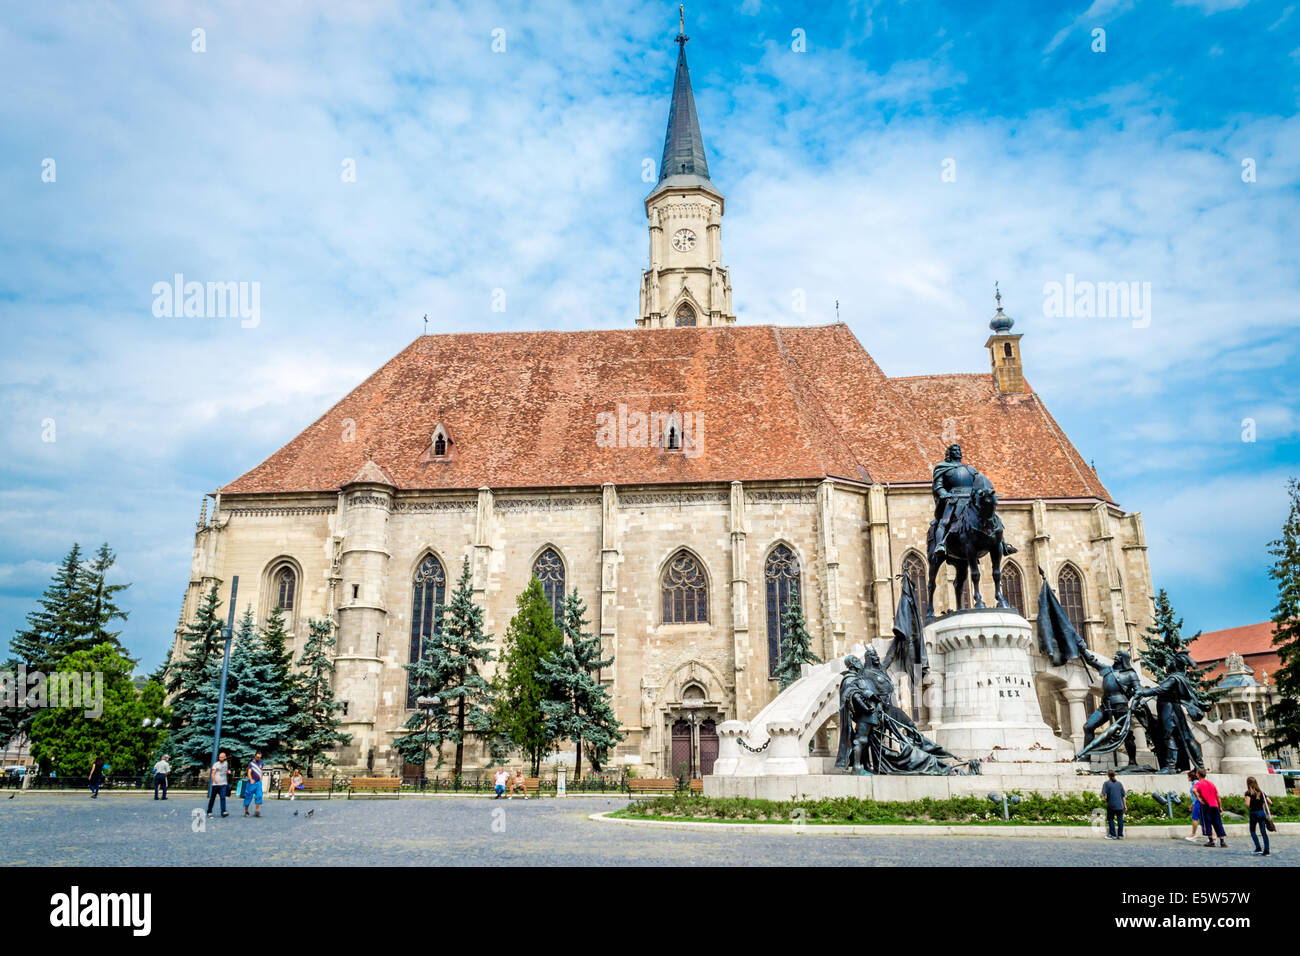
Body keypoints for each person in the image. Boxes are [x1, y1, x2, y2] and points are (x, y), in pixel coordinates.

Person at [1194, 768, 1226, 847]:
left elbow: (1194, 790)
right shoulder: (1211, 783)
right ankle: (1222, 841)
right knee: (1218, 823)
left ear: (1198, 775)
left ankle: (1211, 840)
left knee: (1207, 822)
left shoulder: (1199, 783)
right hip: (1215, 805)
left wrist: (1199, 799)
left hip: (1206, 805)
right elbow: (1218, 796)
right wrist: (1220, 806)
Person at [1246, 776, 1272, 857]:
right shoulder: (1262, 793)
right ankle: (1266, 850)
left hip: (1253, 813)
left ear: (1248, 783)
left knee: (1252, 831)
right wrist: (1262, 804)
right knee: (1263, 832)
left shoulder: (1248, 793)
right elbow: (1270, 802)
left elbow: (1247, 804)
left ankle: (1258, 848)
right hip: (1261, 813)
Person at [1101, 769, 1127, 839]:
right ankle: (1121, 835)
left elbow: (1104, 794)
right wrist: (1125, 805)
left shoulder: (1106, 783)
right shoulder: (1119, 784)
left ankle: (1113, 835)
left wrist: (1106, 800)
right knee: (1120, 820)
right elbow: (1123, 796)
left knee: (1110, 819)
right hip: (1120, 805)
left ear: (1108, 775)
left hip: (1111, 805)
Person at [207, 750, 230, 817]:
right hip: (216, 784)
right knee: (212, 798)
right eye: (220, 757)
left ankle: (223, 811)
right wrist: (214, 780)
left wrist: (228, 772)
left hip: (223, 784)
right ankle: (209, 811)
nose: (221, 759)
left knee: (223, 797)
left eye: (222, 757)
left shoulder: (226, 763)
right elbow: (213, 774)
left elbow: (225, 771)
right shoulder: (216, 764)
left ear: (225, 757)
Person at [243, 751, 265, 817]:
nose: (258, 758)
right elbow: (249, 772)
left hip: (258, 783)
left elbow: (261, 770)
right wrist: (251, 779)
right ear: (255, 756)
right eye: (257, 757)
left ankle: (257, 811)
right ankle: (246, 811)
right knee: (248, 796)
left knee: (259, 795)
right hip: (251, 783)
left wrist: (261, 778)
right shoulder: (251, 763)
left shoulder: (261, 763)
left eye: (260, 757)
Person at [1184, 769, 1204, 842]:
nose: (1187, 778)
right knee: (1203, 819)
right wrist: (1192, 804)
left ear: (1191, 777)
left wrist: (1195, 803)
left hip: (1198, 803)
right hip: (1197, 802)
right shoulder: (1197, 783)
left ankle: (1193, 834)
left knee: (1195, 818)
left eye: (1188, 777)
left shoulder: (1195, 784)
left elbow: (1197, 794)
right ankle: (1213, 835)